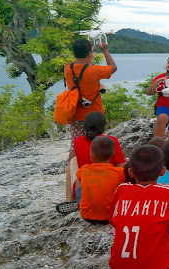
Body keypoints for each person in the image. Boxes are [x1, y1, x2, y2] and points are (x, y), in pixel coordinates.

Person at [63, 39, 117, 202]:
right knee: (98, 150)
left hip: (76, 116)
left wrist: (88, 55)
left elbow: (80, 79)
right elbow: (113, 68)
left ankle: (70, 197)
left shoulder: (68, 68)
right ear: (89, 54)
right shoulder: (94, 70)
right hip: (94, 116)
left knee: (74, 151)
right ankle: (100, 187)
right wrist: (105, 50)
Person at [67, 112, 126, 202]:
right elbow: (121, 165)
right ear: (103, 126)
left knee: (72, 162)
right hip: (109, 190)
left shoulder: (78, 141)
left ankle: (69, 199)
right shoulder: (111, 141)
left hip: (85, 191)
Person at [76, 137, 125, 224]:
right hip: (110, 216)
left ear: (92, 154)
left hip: (86, 216)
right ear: (113, 153)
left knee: (78, 179)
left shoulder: (84, 169)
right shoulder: (118, 172)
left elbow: (78, 177)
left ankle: (79, 202)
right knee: (121, 184)